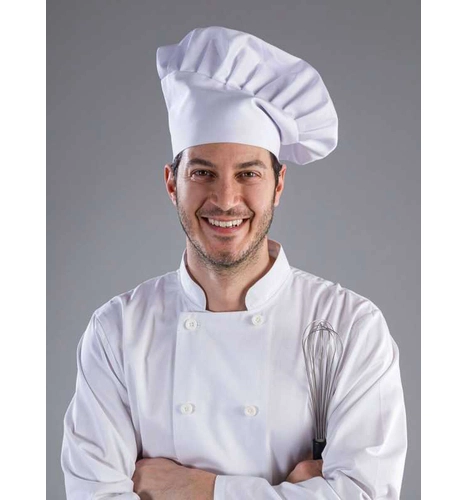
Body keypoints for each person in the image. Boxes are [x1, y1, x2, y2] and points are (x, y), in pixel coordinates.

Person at [61, 26, 407, 499]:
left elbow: (365, 494)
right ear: (172, 183)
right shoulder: (117, 331)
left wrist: (198, 489)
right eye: (202, 172)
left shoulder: (351, 327)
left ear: (278, 185)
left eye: (248, 173)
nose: (226, 199)